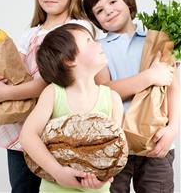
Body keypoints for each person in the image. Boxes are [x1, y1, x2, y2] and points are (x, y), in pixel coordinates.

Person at [0, 0, 93, 193]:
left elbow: (51, 81)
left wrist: (6, 93)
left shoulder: (78, 28)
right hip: (23, 126)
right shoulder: (31, 33)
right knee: (22, 187)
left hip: (56, 122)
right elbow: (17, 73)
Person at [83, 0, 179, 193]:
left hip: (157, 141)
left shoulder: (157, 39)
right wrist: (149, 77)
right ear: (96, 20)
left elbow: (173, 87)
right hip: (116, 144)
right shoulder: (98, 48)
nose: (108, 11)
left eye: (112, 2)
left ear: (127, 1)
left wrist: (173, 129)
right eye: (99, 10)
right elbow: (105, 91)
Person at [20, 23, 124, 193]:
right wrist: (57, 172)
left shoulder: (112, 99)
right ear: (69, 60)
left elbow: (114, 150)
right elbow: (27, 136)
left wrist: (104, 179)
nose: (98, 43)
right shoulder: (53, 93)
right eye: (89, 41)